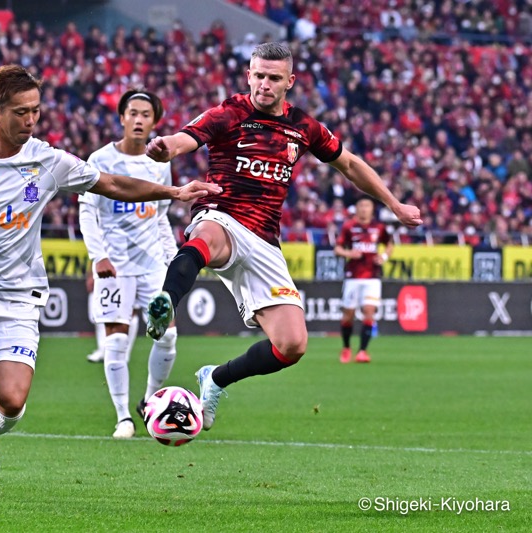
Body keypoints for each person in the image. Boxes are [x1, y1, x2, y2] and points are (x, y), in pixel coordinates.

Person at [0, 64, 220, 501]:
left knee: (12, 402)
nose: (30, 121)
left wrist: (173, 192)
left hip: (17, 297)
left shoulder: (47, 160)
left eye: (36, 111)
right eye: (20, 113)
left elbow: (109, 183)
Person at [144, 42, 421, 431]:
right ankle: (166, 304)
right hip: (222, 213)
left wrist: (394, 205)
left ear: (289, 82)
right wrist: (163, 149)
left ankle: (216, 378)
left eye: (274, 78)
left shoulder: (303, 126)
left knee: (292, 346)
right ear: (248, 76)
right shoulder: (229, 112)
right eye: (258, 75)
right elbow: (183, 139)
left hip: (265, 241)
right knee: (207, 237)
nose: (264, 84)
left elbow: (350, 164)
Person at [79, 89, 179, 438]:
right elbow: (87, 211)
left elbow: (161, 215)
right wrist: (98, 257)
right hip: (115, 267)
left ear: (155, 121)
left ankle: (149, 401)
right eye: (132, 113)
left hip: (153, 265)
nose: (138, 120)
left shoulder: (160, 163)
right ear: (121, 118)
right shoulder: (100, 159)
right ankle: (123, 417)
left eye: (145, 115)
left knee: (168, 337)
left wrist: (173, 257)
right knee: (116, 342)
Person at [334, 197, 392, 364]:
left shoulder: (379, 227)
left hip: (373, 277)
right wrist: (348, 254)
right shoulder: (348, 227)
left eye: (368, 206)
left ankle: (362, 351)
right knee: (348, 316)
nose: (364, 209)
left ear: (372, 209)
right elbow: (337, 248)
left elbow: (389, 244)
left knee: (369, 312)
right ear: (357, 208)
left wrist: (384, 256)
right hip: (353, 276)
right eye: (361, 205)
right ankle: (346, 348)